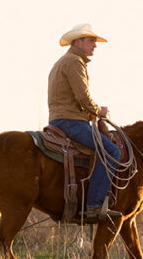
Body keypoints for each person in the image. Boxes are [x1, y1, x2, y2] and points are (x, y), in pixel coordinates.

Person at [47, 23, 122, 222]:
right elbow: (82, 96)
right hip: (70, 122)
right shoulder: (74, 62)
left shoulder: (64, 61)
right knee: (112, 151)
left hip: (61, 118)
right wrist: (99, 111)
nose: (95, 45)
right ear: (78, 41)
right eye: (91, 41)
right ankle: (94, 205)